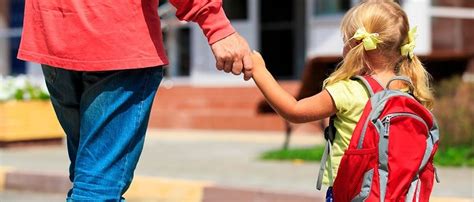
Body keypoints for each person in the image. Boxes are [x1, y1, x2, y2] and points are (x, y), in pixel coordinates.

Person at [17, 0, 252, 201]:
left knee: (91, 177)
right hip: (116, 40)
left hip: (54, 34)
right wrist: (216, 26)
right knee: (96, 187)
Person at [250, 0, 434, 200]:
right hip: (396, 194)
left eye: (344, 39)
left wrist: (259, 71)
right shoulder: (408, 90)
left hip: (352, 194)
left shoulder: (349, 90)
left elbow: (293, 110)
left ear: (355, 45)